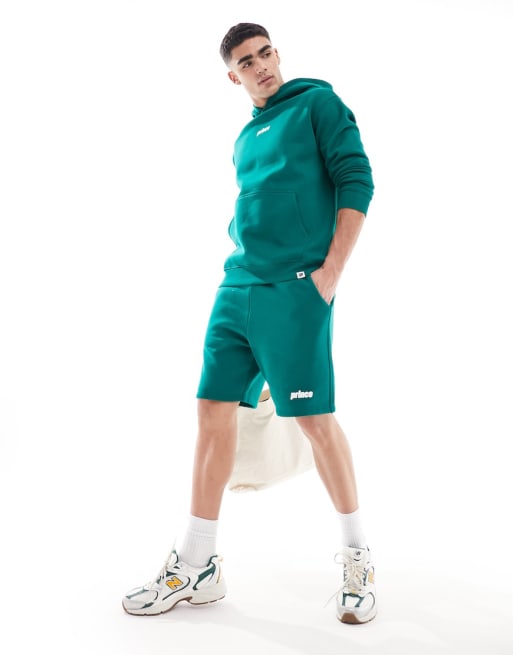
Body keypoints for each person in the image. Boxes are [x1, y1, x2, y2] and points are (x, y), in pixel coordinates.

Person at [122, 22, 377, 625]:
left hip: (297, 289)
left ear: (277, 54)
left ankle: (358, 558)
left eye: (265, 53)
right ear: (233, 76)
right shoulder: (243, 137)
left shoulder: (318, 105)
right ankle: (198, 565)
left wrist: (330, 274)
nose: (261, 65)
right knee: (212, 413)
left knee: (315, 421)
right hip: (237, 287)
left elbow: (356, 179)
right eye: (246, 61)